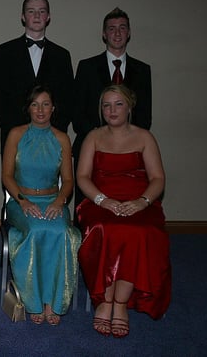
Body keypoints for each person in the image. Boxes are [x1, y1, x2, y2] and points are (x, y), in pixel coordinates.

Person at [76, 84, 171, 338]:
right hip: (100, 203)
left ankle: (121, 304)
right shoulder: (93, 137)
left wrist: (142, 201)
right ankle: (105, 301)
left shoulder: (144, 137)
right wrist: (102, 200)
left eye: (118, 104)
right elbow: (83, 177)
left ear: (129, 107)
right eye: (106, 105)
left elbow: (158, 178)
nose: (112, 110)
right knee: (105, 229)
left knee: (137, 231)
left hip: (139, 202)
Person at [2, 84, 81, 325]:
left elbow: (68, 180)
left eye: (46, 104)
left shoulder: (62, 138)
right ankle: (33, 301)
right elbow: (6, 176)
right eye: (35, 104)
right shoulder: (16, 134)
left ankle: (52, 302)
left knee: (61, 232)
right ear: (28, 108)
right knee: (36, 230)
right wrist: (23, 202)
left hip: (53, 200)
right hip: (20, 201)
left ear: (53, 108)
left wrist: (60, 201)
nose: (40, 110)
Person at [73, 7, 152, 209]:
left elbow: (144, 115)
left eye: (122, 28)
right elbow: (78, 112)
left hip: (131, 153)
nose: (117, 33)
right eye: (111, 28)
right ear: (104, 34)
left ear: (129, 33)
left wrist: (125, 142)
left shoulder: (142, 70)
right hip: (93, 152)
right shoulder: (86, 67)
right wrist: (102, 139)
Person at [0, 0, 74, 152]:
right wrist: (14, 129)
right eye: (31, 11)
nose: (37, 15)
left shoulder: (62, 55)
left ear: (48, 17)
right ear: (23, 17)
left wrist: (54, 129)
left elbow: (67, 97)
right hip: (15, 136)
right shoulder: (4, 52)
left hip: (51, 135)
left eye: (42, 11)